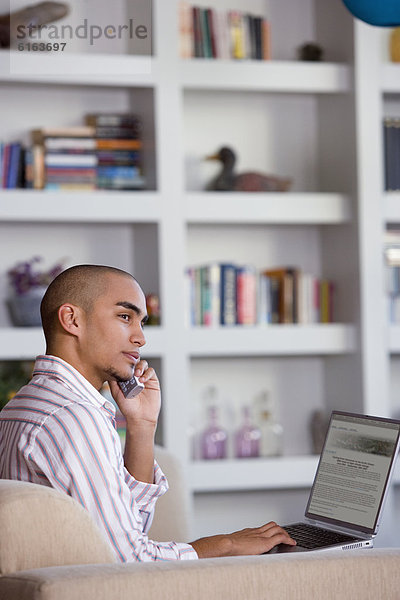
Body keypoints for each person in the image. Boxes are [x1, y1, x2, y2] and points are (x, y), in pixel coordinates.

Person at [0, 264, 295, 561]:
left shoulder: (22, 405)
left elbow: (128, 528)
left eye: (142, 322)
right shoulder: (73, 417)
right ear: (72, 319)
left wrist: (141, 424)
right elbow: (128, 561)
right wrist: (225, 545)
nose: (141, 338)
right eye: (125, 317)